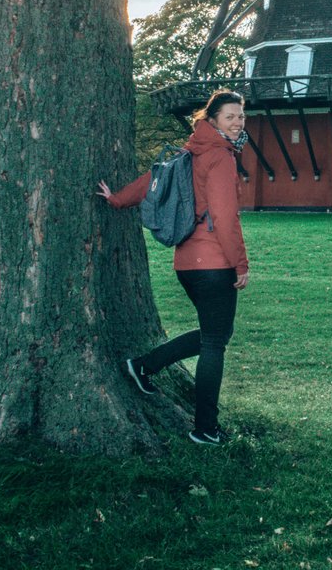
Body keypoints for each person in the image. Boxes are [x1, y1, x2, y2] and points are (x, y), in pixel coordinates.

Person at [97, 89, 249, 445]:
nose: (238, 122)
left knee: (214, 335)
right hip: (214, 263)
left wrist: (118, 199)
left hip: (186, 264)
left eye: (241, 116)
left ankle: (145, 366)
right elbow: (225, 217)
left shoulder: (191, 151)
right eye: (230, 116)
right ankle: (205, 429)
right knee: (215, 342)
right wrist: (240, 264)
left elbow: (153, 180)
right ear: (213, 120)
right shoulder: (221, 158)